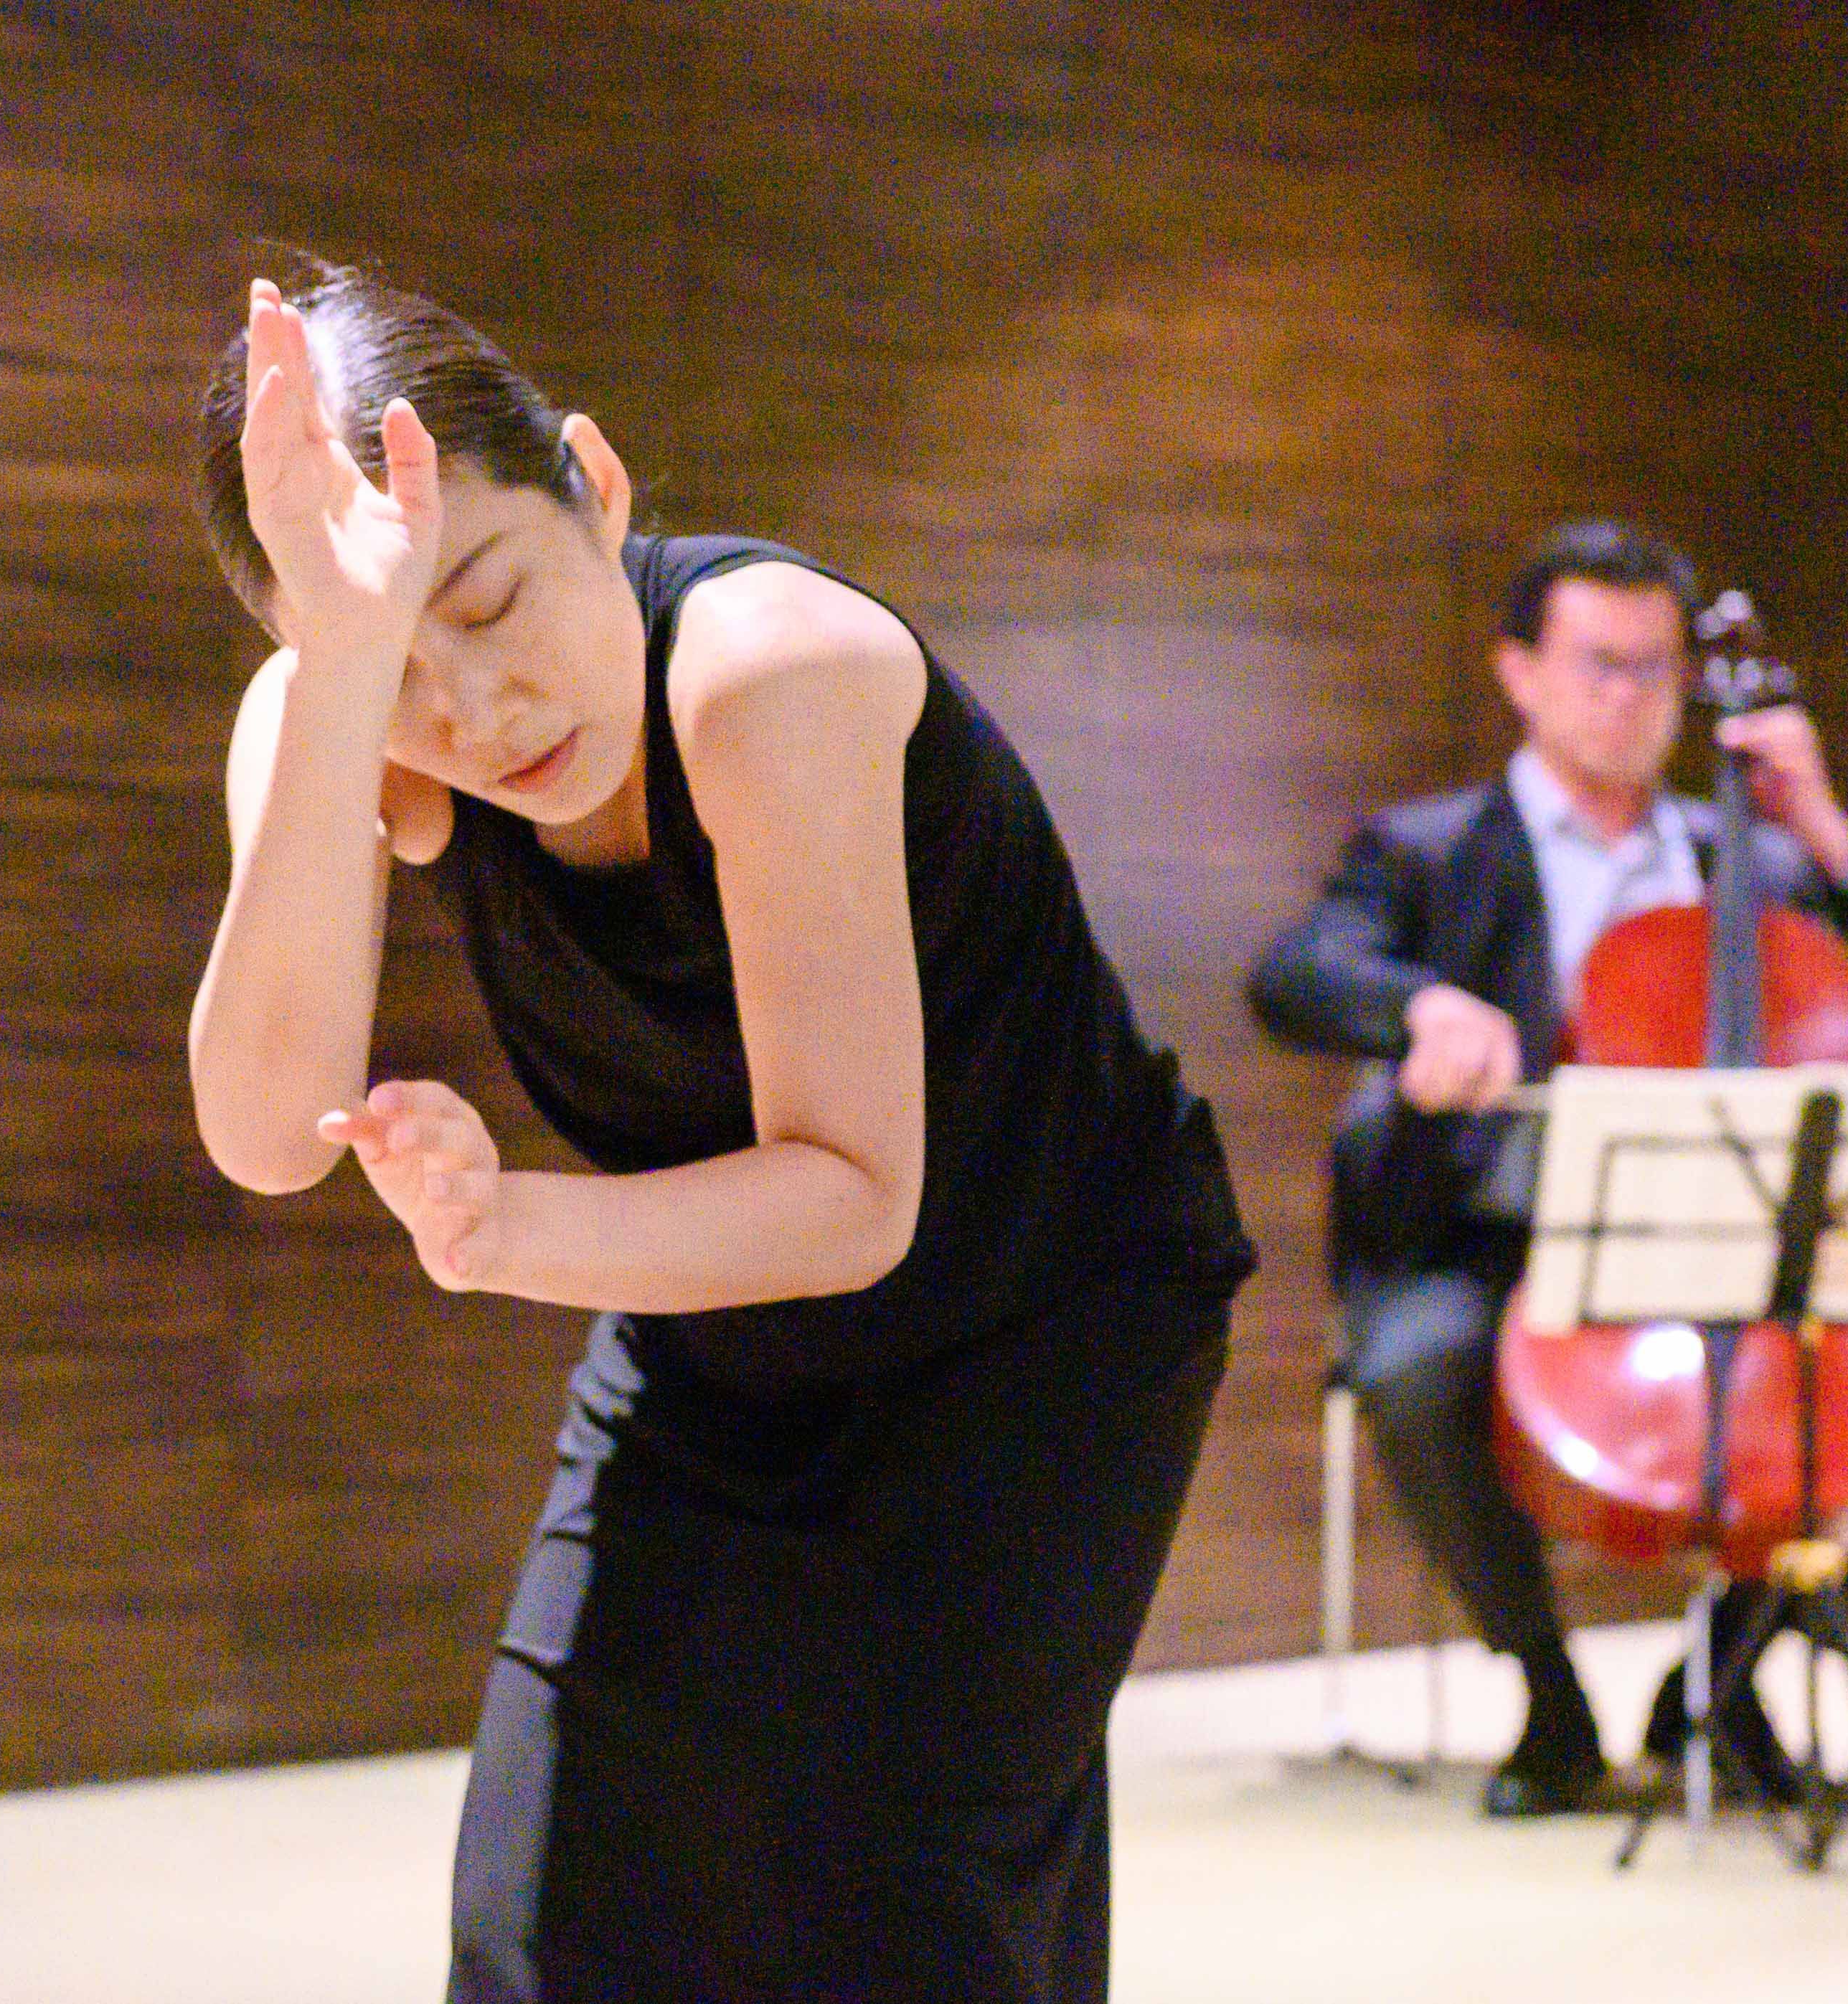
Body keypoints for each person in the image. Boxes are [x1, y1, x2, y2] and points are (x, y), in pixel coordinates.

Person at [187, 264, 1253, 2003]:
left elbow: (852, 1195)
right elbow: (262, 1131)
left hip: (1045, 1322)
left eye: (492, 597)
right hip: (724, 1326)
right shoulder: (344, 712)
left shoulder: (769, 667)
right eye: (398, 659)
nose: (477, 708)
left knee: (900, 1909)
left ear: (598, 489)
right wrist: (344, 676)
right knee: (545, 1909)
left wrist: (503, 1226)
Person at [1246, 519, 1848, 1818]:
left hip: (1717, 1239)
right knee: (1417, 1367)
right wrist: (1420, 1006)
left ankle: (1718, 1689)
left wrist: (1826, 826)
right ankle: (1551, 1698)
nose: (1632, 697)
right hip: (1494, 1233)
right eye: (1601, 664)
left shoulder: (1746, 853)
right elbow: (1296, 974)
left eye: (1657, 669)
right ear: (1520, 670)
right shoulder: (1430, 847)